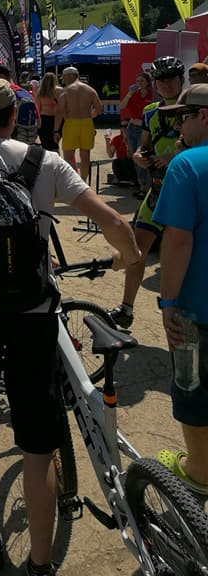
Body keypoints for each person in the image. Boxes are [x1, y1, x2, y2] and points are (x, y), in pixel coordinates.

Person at [0, 77, 140, 576]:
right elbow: (115, 223)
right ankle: (40, 563)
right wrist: (127, 257)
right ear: (15, 115)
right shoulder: (46, 162)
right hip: (36, 317)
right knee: (39, 447)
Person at [149, 83, 208, 496]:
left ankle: (200, 473)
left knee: (192, 392)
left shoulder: (186, 165)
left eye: (183, 117)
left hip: (195, 310)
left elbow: (177, 241)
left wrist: (168, 302)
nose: (177, 126)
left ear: (204, 116)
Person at [109, 56, 184, 330]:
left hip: (186, 193)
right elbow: (145, 144)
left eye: (170, 78)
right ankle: (126, 308)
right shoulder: (151, 112)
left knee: (182, 255)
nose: (164, 84)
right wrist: (139, 156)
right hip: (157, 189)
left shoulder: (195, 107)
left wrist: (174, 157)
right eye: (160, 79)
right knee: (136, 249)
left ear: (181, 79)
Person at [53, 67, 102, 181]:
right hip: (86, 123)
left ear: (70, 76)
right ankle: (83, 181)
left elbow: (59, 112)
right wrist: (89, 116)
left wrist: (56, 130)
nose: (63, 80)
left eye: (64, 77)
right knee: (85, 156)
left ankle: (74, 183)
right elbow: (99, 109)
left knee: (68, 156)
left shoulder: (66, 91)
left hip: (71, 123)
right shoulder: (90, 90)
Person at [118, 71, 153, 193]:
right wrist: (129, 94)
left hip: (144, 129)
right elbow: (122, 106)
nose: (139, 83)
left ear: (148, 82)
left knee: (143, 156)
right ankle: (141, 185)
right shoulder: (133, 94)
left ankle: (148, 186)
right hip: (132, 127)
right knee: (135, 158)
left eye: (142, 81)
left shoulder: (153, 95)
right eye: (137, 81)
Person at [36, 72, 62, 152]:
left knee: (45, 145)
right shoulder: (60, 90)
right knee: (55, 143)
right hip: (57, 120)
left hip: (44, 119)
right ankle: (56, 158)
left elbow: (38, 109)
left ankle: (47, 159)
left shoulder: (40, 92)